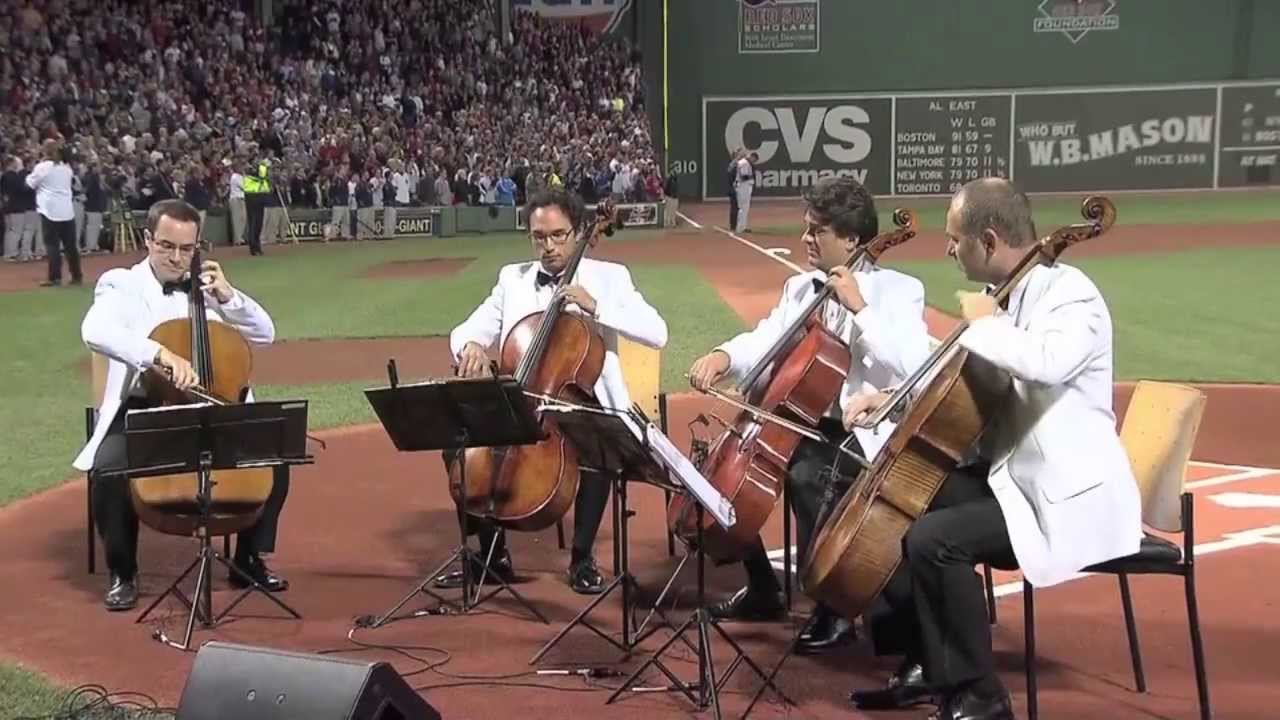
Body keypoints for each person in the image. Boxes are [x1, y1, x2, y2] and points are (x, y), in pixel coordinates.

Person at [844, 178, 1142, 720]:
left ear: (987, 239)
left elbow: (1046, 361)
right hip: (1012, 479)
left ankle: (981, 694)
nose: (947, 249)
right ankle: (924, 664)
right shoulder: (1003, 300)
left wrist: (986, 323)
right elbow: (953, 369)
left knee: (936, 540)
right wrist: (889, 395)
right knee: (906, 496)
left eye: (954, 239)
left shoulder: (1071, 295)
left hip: (1063, 495)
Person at [687, 176, 931, 654]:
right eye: (807, 228)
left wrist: (859, 307)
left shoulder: (900, 291)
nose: (805, 239)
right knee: (721, 475)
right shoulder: (800, 287)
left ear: (853, 240)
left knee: (806, 476)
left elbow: (909, 366)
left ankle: (833, 609)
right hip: (801, 420)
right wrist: (724, 357)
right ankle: (763, 589)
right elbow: (766, 337)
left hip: (860, 430)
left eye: (817, 231)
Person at [440, 188, 668, 594]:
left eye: (559, 235)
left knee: (596, 450)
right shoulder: (513, 278)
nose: (548, 247)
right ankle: (493, 555)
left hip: (586, 405)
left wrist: (597, 307)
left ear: (580, 232)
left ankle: (582, 558)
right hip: (526, 399)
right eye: (539, 237)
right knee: (460, 444)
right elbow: (469, 328)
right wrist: (471, 344)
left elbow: (657, 332)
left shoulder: (610, 278)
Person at [72, 199, 290, 611]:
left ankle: (248, 560)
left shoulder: (209, 289)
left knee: (276, 454)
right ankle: (123, 572)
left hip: (214, 408)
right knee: (110, 468)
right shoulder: (121, 284)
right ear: (148, 239)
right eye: (166, 246)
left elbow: (265, 334)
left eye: (186, 249)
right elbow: (94, 329)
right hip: (147, 409)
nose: (176, 258)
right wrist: (159, 355)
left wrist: (229, 298)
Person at [26, 139, 81, 287]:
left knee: (52, 246)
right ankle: (77, 276)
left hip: (49, 211)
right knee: (70, 246)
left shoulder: (42, 167)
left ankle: (55, 277)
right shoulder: (66, 168)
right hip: (67, 211)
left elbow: (30, 183)